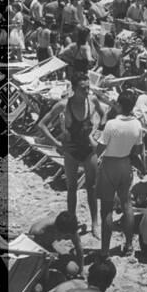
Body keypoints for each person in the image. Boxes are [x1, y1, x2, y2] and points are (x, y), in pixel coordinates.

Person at [38, 72, 105, 238]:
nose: (87, 90)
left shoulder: (93, 101)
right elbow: (42, 124)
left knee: (92, 188)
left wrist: (98, 131)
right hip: (71, 151)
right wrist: (56, 143)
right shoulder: (63, 105)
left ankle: (95, 223)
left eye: (88, 87)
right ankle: (71, 224)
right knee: (72, 189)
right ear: (74, 88)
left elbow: (103, 114)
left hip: (89, 149)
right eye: (83, 88)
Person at [96, 89, 145, 256]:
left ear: (118, 105)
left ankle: (104, 250)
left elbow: (100, 148)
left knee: (107, 209)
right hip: (126, 164)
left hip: (110, 164)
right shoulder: (137, 124)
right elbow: (137, 149)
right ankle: (129, 244)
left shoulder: (112, 124)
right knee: (127, 205)